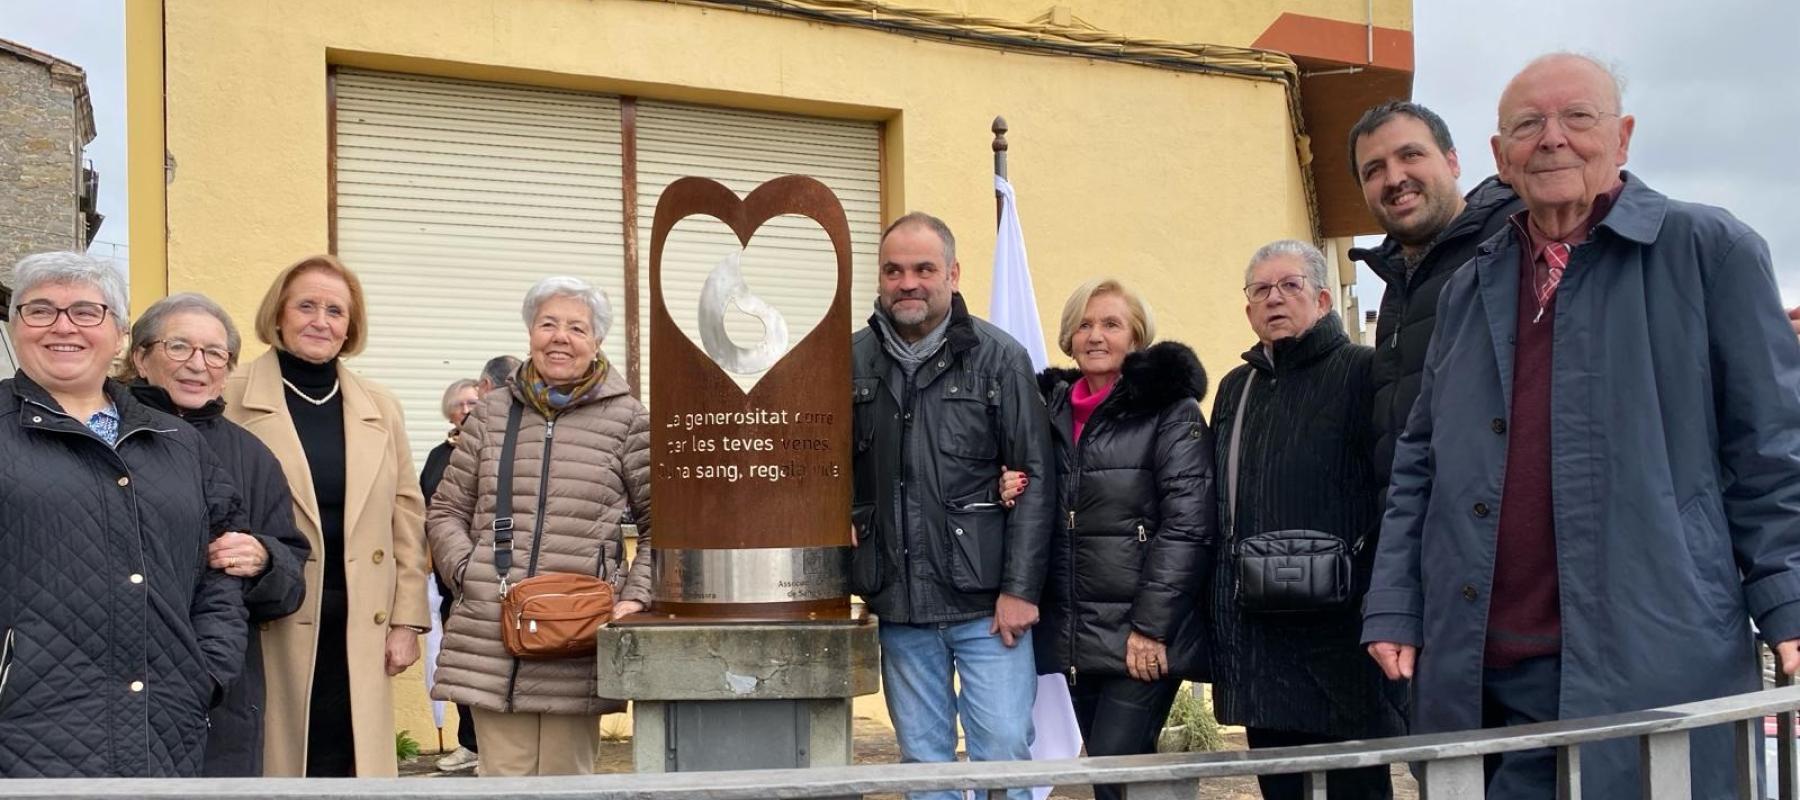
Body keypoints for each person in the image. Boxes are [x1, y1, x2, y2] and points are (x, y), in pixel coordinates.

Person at [1363, 54, 1800, 799]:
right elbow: (1421, 463)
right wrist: (1396, 605)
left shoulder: (1710, 253)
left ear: (1623, 137)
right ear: (1501, 157)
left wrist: (1788, 598)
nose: (1552, 139)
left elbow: (1770, 450)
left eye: (1579, 118)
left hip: (1642, 658)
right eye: (1528, 125)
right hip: (1477, 668)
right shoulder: (1473, 285)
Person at [0, 252, 247, 776]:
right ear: (15, 326)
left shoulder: (177, 441)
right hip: (24, 731)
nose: (63, 326)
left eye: (86, 312)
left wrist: (206, 671)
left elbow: (222, 565)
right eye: (39, 310)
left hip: (164, 727)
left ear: (117, 336)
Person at [849, 212, 1054, 800]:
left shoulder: (999, 359)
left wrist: (1021, 591)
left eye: (923, 269)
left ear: (954, 274)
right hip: (900, 603)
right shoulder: (852, 360)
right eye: (894, 270)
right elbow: (825, 466)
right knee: (924, 764)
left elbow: (1036, 480)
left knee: (1005, 753)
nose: (907, 282)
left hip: (987, 607)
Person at [427, 276, 654, 777]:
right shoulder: (490, 414)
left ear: (597, 342)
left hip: (578, 634)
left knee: (567, 781)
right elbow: (444, 511)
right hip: (491, 632)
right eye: (548, 323)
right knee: (500, 781)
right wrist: (470, 571)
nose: (560, 337)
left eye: (577, 327)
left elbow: (664, 528)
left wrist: (633, 597)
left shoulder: (629, 419)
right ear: (530, 332)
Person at [222, 254, 431, 777]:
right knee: (281, 764)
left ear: (350, 326)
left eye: (335, 311)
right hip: (269, 621)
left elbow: (407, 516)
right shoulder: (230, 396)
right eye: (307, 306)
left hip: (362, 625)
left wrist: (407, 619)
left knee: (352, 762)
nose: (321, 320)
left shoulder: (381, 406)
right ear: (278, 314)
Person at [1209, 240, 1401, 800]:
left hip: (1341, 631)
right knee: (1281, 788)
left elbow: (1394, 489)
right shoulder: (1235, 389)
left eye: (1290, 286)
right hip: (1258, 634)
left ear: (1322, 299)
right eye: (1261, 290)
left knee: (1357, 788)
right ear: (1248, 310)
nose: (1275, 299)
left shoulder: (1364, 372)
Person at [1015, 278, 1213, 800]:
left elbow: (1189, 525)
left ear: (1137, 337)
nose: (1095, 335)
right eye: (1084, 324)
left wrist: (1150, 627)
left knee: (1113, 773)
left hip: (1140, 637)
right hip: (1076, 632)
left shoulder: (1171, 413)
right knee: (1114, 777)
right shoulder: (1044, 412)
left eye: (1111, 324)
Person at [120, 292, 311, 776]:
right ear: (141, 357)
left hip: (220, 685)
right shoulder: (105, 433)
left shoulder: (252, 455)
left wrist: (264, 559)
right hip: (116, 669)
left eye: (214, 353)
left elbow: (291, 576)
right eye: (179, 347)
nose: (197, 365)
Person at [1345, 101, 1522, 482]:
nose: (1394, 179)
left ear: (1453, 161)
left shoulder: (1514, 241)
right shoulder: (1395, 286)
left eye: (1410, 154)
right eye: (1373, 170)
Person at [421, 376, 483, 773]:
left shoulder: (496, 449)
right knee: (458, 665)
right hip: (449, 582)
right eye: (460, 404)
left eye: (475, 402)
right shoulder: (437, 456)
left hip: (489, 577)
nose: (467, 409)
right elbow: (427, 509)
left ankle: (497, 748)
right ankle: (470, 744)